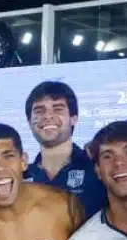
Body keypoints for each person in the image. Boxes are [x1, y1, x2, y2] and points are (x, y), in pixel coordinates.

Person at [23, 80, 108, 220]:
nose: (47, 116)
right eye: (39, 110)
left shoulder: (97, 168)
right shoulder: (22, 178)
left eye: (57, 109)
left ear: (74, 119)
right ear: (29, 122)